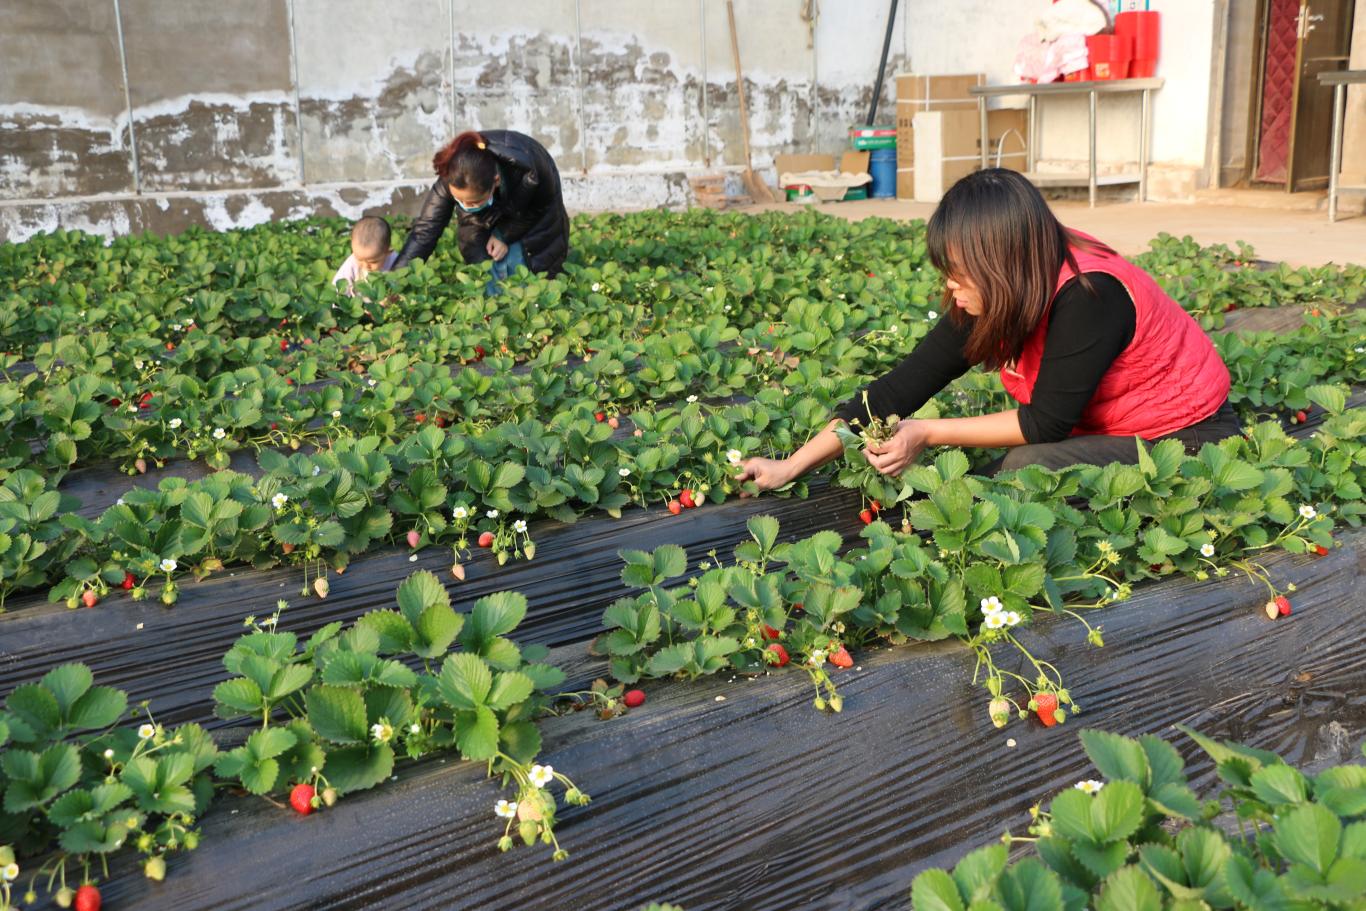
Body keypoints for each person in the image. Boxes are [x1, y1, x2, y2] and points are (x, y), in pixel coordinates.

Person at [736, 168, 1238, 493]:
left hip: (1184, 434)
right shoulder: (1003, 288)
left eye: (959, 269)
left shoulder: (1091, 296)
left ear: (1001, 262)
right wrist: (790, 466)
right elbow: (900, 387)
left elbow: (1046, 424)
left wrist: (929, 433)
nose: (950, 284)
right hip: (1109, 426)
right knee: (1020, 465)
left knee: (1026, 468)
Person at [392, 130, 570, 293]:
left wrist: (503, 235)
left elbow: (539, 209)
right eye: (459, 200)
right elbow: (426, 230)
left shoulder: (530, 170)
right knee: (486, 275)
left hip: (532, 219)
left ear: (496, 181)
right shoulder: (455, 175)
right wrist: (393, 283)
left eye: (473, 201)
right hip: (483, 221)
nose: (465, 206)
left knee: (530, 281)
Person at [331, 216, 397, 296]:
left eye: (373, 262)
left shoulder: (395, 261)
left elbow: (401, 282)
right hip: (359, 305)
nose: (365, 265)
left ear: (388, 252)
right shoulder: (351, 264)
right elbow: (338, 289)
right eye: (359, 259)